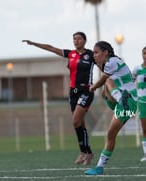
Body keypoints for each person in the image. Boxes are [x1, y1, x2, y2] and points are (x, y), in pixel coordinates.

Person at [22, 32, 95, 165]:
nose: (76, 41)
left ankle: (83, 152)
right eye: (74, 39)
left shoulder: (91, 55)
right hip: (73, 92)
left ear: (85, 40)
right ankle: (88, 152)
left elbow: (105, 65)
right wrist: (34, 43)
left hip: (86, 91)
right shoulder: (70, 54)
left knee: (75, 121)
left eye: (79, 39)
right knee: (80, 123)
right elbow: (51, 48)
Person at [84, 41, 137, 175]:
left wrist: (93, 87)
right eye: (94, 53)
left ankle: (100, 167)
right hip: (128, 100)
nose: (94, 55)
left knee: (107, 81)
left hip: (128, 100)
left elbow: (103, 79)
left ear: (106, 52)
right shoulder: (112, 63)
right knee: (105, 89)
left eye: (96, 52)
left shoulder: (111, 62)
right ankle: (100, 167)